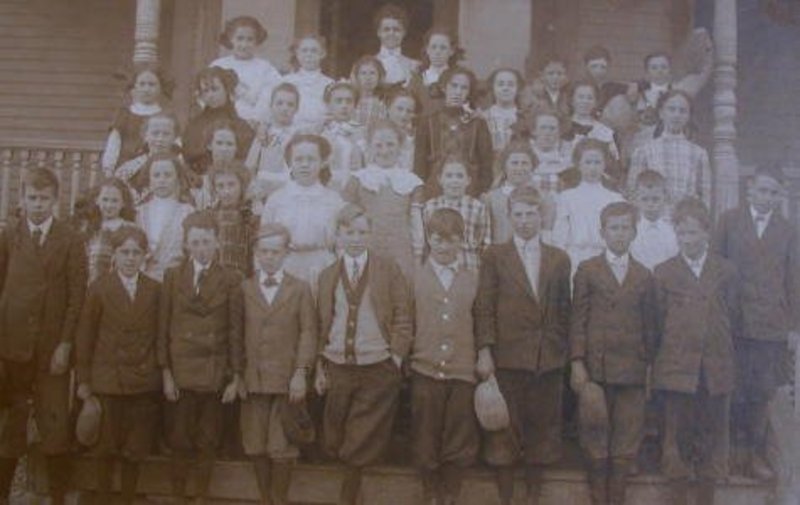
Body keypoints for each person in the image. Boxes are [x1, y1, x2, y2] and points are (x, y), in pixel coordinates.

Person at [475, 185, 571, 505]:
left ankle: (533, 495)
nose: (525, 220)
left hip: (546, 360)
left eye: (531, 213)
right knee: (504, 429)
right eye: (519, 214)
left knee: (540, 430)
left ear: (541, 216)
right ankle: (505, 497)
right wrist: (485, 349)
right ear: (509, 216)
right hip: (507, 356)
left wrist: (559, 348)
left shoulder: (559, 259)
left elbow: (562, 310)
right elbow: (484, 305)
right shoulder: (495, 256)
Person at [0, 167, 87, 504]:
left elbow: (76, 297)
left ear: (56, 200)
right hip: (13, 348)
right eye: (32, 198)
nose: (38, 205)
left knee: (54, 426)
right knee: (9, 426)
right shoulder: (9, 236)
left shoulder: (71, 239)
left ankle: (57, 496)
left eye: (44, 198)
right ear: (22, 199)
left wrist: (65, 343)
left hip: (52, 349)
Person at [315, 204, 412, 505]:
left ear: (370, 235)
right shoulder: (328, 274)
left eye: (362, 232)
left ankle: (350, 493)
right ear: (339, 235)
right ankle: (348, 475)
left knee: (361, 433)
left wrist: (395, 356)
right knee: (334, 436)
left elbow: (403, 316)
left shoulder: (387, 269)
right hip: (339, 363)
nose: (356, 238)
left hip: (377, 364)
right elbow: (323, 322)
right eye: (349, 232)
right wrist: (320, 364)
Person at [715, 164, 800, 481]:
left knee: (761, 392)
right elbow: (716, 266)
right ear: (750, 189)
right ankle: (726, 456)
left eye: (773, 193)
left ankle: (751, 456)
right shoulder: (729, 222)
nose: (767, 197)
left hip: (769, 327)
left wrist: (793, 326)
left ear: (780, 196)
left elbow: (794, 278)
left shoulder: (788, 230)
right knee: (732, 389)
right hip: (734, 322)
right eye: (762, 190)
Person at [569, 201, 657, 505]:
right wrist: (577, 361)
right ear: (602, 232)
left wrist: (648, 369)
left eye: (625, 228)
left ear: (634, 232)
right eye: (614, 228)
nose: (620, 234)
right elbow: (577, 319)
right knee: (595, 433)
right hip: (597, 369)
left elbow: (650, 328)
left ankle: (616, 497)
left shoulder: (645, 276)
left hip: (631, 370)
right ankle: (598, 496)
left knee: (626, 439)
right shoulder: (588, 270)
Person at [652, 197, 739, 505]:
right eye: (681, 234)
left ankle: (706, 495)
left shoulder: (725, 271)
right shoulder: (664, 273)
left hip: (715, 367)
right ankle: (676, 494)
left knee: (711, 433)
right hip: (678, 367)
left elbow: (735, 318)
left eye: (692, 233)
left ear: (706, 233)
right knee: (678, 433)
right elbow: (656, 323)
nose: (687, 240)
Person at [158, 211, 244, 504]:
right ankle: (179, 495)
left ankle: (201, 496)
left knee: (208, 439)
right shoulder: (172, 276)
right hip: (180, 372)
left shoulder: (231, 278)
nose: (201, 248)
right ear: (186, 244)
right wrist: (166, 373)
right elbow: (163, 327)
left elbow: (235, 330)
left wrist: (235, 376)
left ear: (217, 243)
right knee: (179, 438)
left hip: (213, 371)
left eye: (207, 241)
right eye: (195, 242)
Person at [75, 226, 161, 505]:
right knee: (106, 447)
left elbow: (160, 334)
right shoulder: (99, 288)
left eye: (136, 253)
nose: (130, 258)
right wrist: (84, 382)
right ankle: (101, 497)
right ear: (114, 254)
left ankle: (126, 498)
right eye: (124, 252)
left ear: (145, 257)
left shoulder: (154, 290)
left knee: (134, 449)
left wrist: (155, 372)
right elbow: (85, 337)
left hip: (141, 381)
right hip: (108, 380)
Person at [241, 223, 317, 505]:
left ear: (286, 254)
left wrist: (300, 373)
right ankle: (265, 499)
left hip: (286, 381)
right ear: (255, 253)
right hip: (254, 381)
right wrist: (237, 376)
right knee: (255, 443)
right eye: (264, 251)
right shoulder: (245, 288)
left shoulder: (300, 289)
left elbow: (309, 332)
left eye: (275, 251)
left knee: (281, 446)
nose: (269, 257)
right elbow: (236, 335)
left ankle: (279, 500)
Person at [410, 208, 480, 505]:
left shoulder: (473, 278)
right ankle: (430, 494)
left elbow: (481, 321)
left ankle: (451, 494)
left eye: (450, 239)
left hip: (462, 370)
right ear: (428, 239)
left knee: (458, 435)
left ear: (460, 241)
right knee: (426, 434)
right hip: (424, 368)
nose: (443, 246)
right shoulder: (414, 276)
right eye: (436, 238)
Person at [260, 134, 344, 293]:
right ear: (289, 162)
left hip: (322, 265)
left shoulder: (334, 200)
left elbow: (340, 244)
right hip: (286, 265)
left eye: (311, 159)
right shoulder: (277, 199)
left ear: (322, 162)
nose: (305, 165)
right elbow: (265, 240)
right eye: (298, 159)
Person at [343, 120, 425, 281]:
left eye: (390, 145)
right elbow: (345, 222)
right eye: (378, 145)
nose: (385, 151)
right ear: (369, 147)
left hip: (401, 252)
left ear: (400, 146)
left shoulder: (411, 182)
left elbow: (416, 223)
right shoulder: (358, 179)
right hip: (366, 250)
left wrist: (417, 255)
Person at [414, 66, 494, 198]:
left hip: (469, 190)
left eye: (464, 88)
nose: (458, 91)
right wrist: (420, 192)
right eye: (454, 86)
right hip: (434, 190)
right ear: (444, 87)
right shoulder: (428, 122)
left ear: (469, 92)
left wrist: (483, 191)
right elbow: (419, 163)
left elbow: (486, 163)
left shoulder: (478, 123)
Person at [552, 139, 625, 276]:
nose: (593, 168)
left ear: (605, 164)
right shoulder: (567, 197)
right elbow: (560, 236)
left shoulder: (615, 198)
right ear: (578, 164)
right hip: (576, 258)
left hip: (607, 259)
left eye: (597, 162)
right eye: (588, 162)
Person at [628, 90, 712, 209]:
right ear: (661, 113)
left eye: (682, 111)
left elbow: (705, 196)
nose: (676, 115)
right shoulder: (644, 151)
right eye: (671, 109)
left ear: (689, 116)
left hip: (686, 218)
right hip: (655, 218)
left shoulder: (699, 153)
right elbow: (633, 192)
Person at [101, 64, 172, 175]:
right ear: (134, 87)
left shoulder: (166, 116)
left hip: (156, 169)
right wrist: (108, 168)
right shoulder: (124, 114)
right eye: (142, 84)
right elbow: (114, 142)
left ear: (160, 88)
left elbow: (175, 145)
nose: (146, 89)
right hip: (125, 169)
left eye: (152, 84)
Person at [183, 67, 254, 177]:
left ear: (227, 89)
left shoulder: (242, 126)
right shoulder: (194, 125)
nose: (210, 95)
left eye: (215, 89)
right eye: (205, 91)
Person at [423, 157, 491, 271]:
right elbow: (425, 242)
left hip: (468, 266)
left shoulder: (477, 207)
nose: (454, 181)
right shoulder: (429, 207)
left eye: (460, 176)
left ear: (468, 180)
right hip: (437, 268)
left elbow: (485, 243)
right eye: (449, 176)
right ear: (440, 179)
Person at [135, 154, 195, 282]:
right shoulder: (138, 213)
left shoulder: (188, 212)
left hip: (176, 281)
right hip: (144, 280)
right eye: (156, 175)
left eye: (167, 175)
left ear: (177, 178)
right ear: (149, 179)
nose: (161, 180)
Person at [210, 16, 281, 124]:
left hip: (254, 123)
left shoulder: (265, 68)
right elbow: (207, 97)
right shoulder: (219, 65)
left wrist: (255, 119)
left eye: (249, 39)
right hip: (222, 122)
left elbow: (271, 98)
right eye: (240, 38)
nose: (244, 45)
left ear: (257, 41)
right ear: (230, 39)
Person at [245, 82, 301, 203]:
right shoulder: (264, 133)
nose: (284, 108)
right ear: (271, 106)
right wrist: (252, 184)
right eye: (279, 103)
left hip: (288, 186)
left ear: (297, 109)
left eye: (290, 104)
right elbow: (251, 163)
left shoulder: (298, 135)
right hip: (263, 186)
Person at [80, 177, 136, 284]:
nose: (109, 205)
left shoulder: (130, 229)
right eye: (105, 200)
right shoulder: (90, 228)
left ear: (123, 203)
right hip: (92, 285)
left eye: (115, 201)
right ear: (97, 200)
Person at [115, 112, 182, 200]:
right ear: (145, 136)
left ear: (175, 137)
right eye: (155, 133)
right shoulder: (128, 170)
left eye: (166, 134)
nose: (160, 139)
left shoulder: (183, 168)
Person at [483, 141, 537, 244]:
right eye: (514, 163)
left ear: (532, 166)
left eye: (524, 163)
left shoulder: (540, 197)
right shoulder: (491, 198)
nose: (519, 168)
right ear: (505, 166)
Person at [210, 161, 257, 275]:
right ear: (215, 189)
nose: (226, 191)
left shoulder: (251, 216)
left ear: (242, 185)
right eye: (220, 186)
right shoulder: (209, 217)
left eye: (231, 184)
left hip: (243, 278)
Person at [319, 81, 365, 191]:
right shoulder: (322, 133)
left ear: (355, 106)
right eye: (338, 101)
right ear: (328, 105)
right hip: (328, 188)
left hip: (355, 188)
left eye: (349, 101)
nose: (344, 106)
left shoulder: (362, 132)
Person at [282, 35, 334, 131]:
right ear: (297, 54)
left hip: (321, 131)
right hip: (291, 130)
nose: (309, 54)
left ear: (323, 54)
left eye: (314, 51)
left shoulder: (330, 84)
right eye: (304, 50)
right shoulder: (286, 81)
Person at [629, 170, 678, 271]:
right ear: (636, 199)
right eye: (645, 199)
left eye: (655, 199)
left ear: (665, 199)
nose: (650, 204)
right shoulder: (631, 232)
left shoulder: (672, 232)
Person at [408, 27, 462, 115]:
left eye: (443, 48)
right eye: (433, 47)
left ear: (451, 51)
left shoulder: (459, 78)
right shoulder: (417, 80)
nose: (438, 52)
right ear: (427, 50)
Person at [481, 68, 525, 156]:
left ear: (518, 88)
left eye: (511, 85)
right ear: (492, 87)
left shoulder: (525, 117)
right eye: (500, 84)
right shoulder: (483, 117)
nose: (505, 88)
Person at [373, 4, 420, 87]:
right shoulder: (368, 65)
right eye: (386, 29)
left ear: (404, 33)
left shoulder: (415, 66)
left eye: (396, 29)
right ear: (378, 32)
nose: (391, 33)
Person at [386, 88, 419, 171]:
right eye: (399, 109)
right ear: (388, 109)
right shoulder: (373, 136)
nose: (404, 114)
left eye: (409, 111)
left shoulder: (413, 143)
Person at [351, 56, 387, 133]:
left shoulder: (384, 103)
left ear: (379, 77)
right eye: (363, 73)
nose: (368, 78)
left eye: (372, 73)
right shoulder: (350, 101)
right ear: (357, 77)